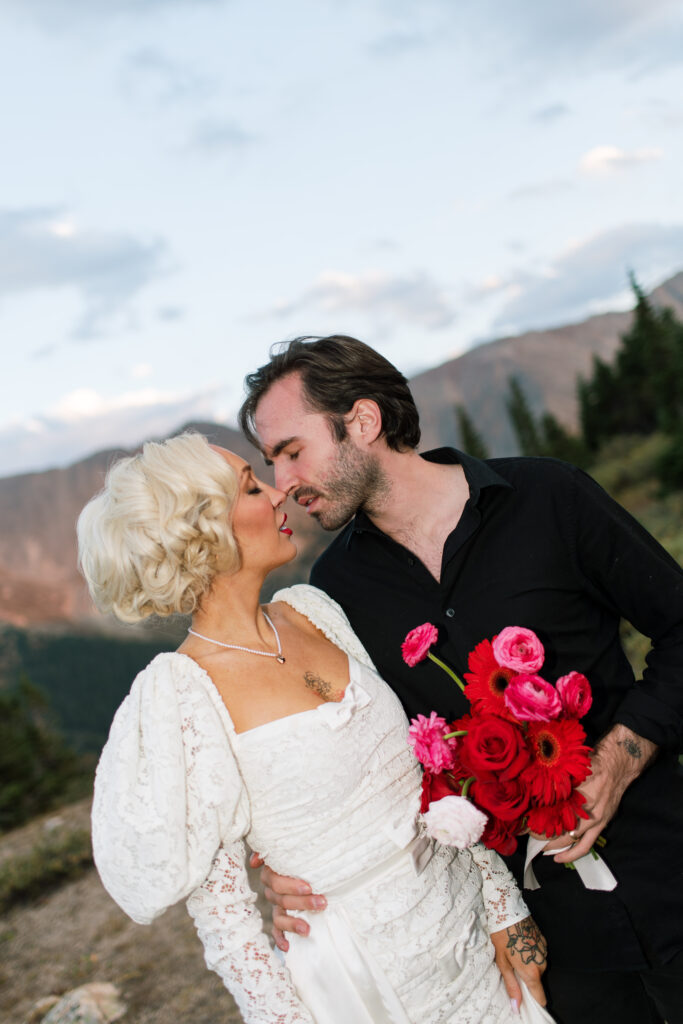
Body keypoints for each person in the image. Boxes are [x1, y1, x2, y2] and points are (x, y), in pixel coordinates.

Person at [239, 334, 683, 1024]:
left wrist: (622, 758)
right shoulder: (334, 593)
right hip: (549, 943)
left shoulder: (548, 496)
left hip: (671, 861)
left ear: (361, 422)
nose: (283, 482)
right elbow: (356, 756)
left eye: (292, 451)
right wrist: (288, 866)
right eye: (271, 463)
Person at [78, 432, 551, 1024]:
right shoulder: (182, 696)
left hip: (470, 932)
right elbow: (228, 928)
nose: (279, 494)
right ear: (200, 531)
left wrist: (505, 907)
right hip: (362, 978)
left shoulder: (315, 610)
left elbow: (431, 778)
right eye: (251, 487)